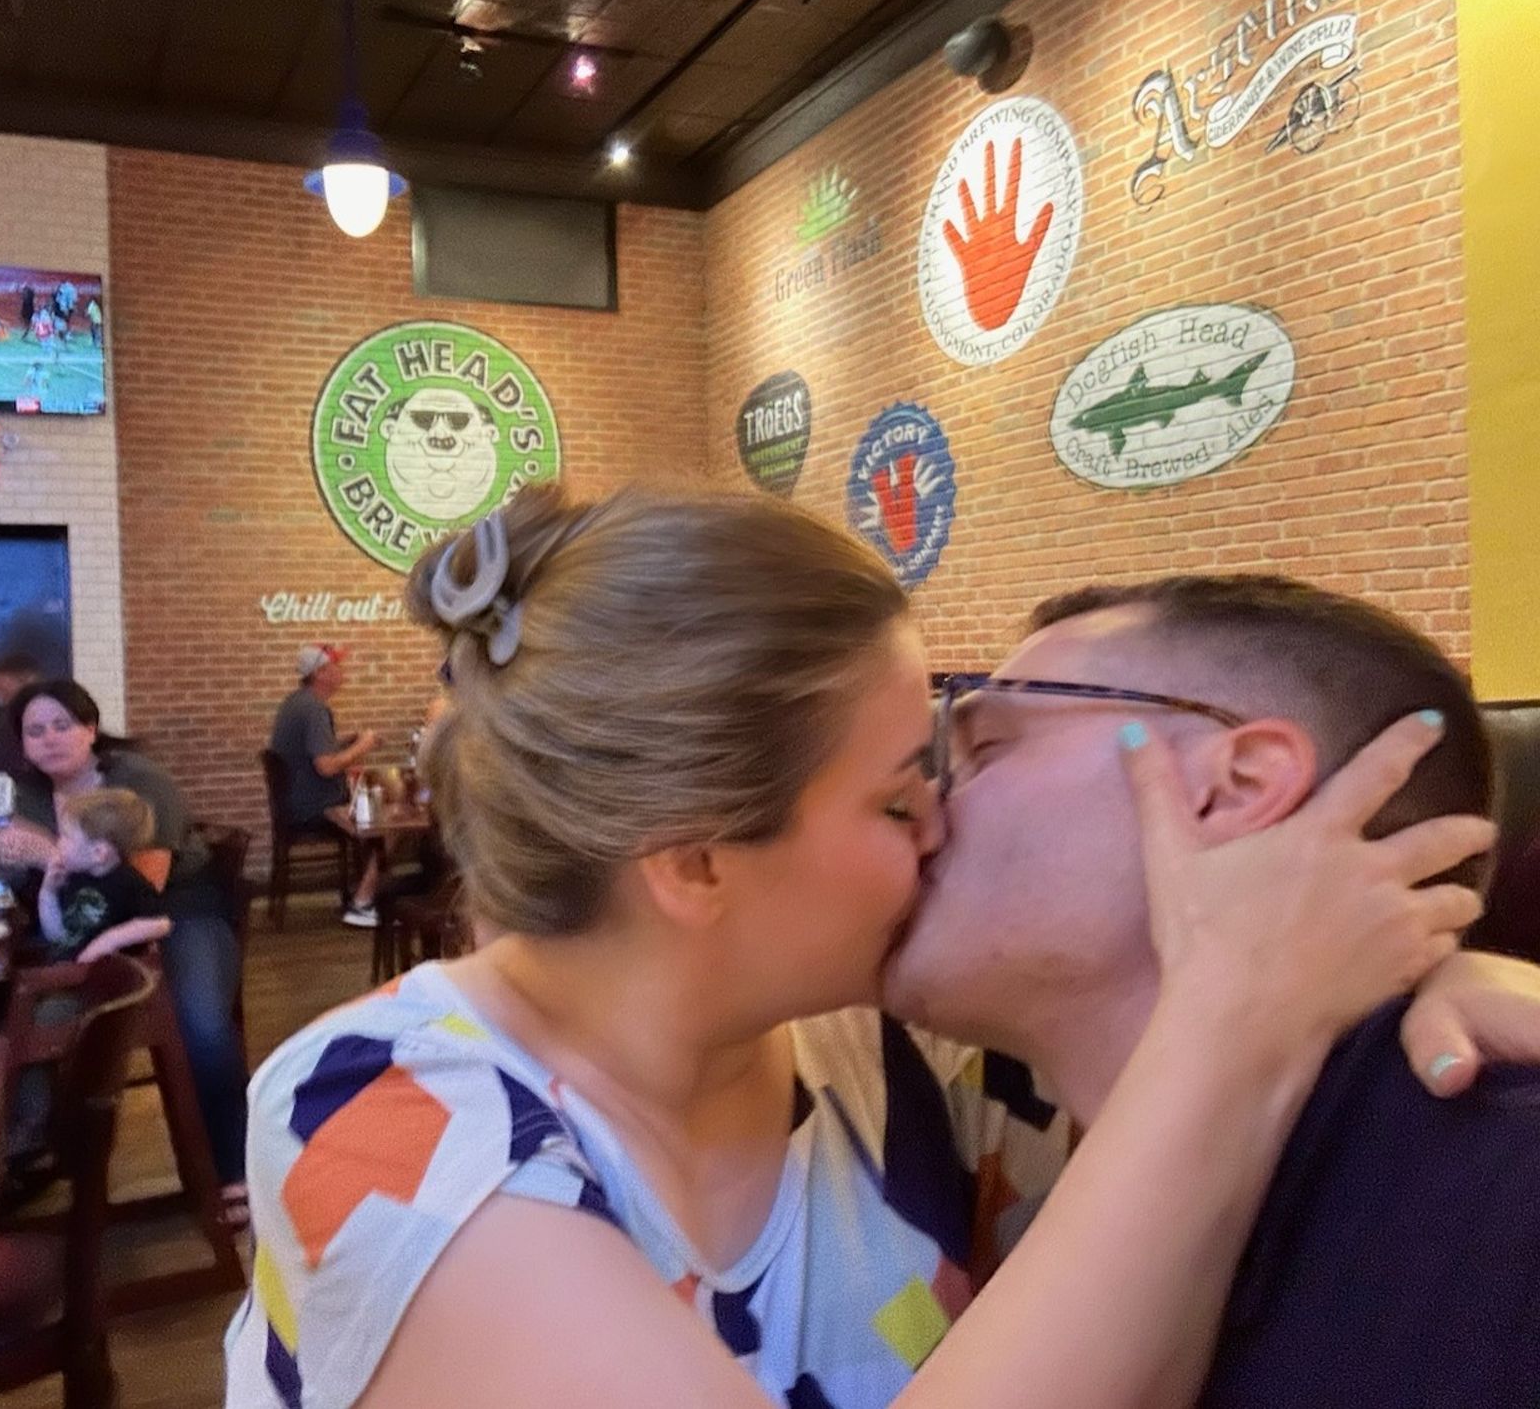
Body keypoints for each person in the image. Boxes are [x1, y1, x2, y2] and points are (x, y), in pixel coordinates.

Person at [226, 484, 1500, 1409]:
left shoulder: (908, 1064)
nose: (940, 819)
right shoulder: (379, 1114)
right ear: (696, 860)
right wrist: (1242, 1007)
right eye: (897, 796)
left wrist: (1407, 968)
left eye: (964, 758)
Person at [880, 574, 1540, 1406]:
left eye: (983, 750)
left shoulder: (1506, 1213)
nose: (921, 811)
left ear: (1235, 787)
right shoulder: (949, 1129)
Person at [0, 679, 250, 1213]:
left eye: (62, 725)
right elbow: (30, 882)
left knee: (202, 1023)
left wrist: (46, 852)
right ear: (21, 743)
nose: (49, 739)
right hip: (81, 927)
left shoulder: (137, 782)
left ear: (91, 729)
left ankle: (231, 1168)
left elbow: (144, 881)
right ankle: (20, 1149)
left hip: (173, 912)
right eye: (34, 730)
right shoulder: (25, 794)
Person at [267, 643, 381, 927]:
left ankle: (364, 896)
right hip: (316, 807)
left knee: (376, 816)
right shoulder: (315, 709)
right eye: (336, 667)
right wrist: (363, 745)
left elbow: (313, 753)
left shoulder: (295, 703)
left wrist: (344, 741)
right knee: (385, 827)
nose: (342, 673)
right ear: (320, 673)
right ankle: (363, 902)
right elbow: (326, 766)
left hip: (295, 803)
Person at [36, 788, 173, 964]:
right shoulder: (75, 877)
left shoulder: (127, 883)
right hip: (68, 972)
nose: (58, 842)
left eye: (67, 837)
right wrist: (48, 892)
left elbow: (160, 924)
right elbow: (57, 936)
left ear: (98, 853)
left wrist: (108, 940)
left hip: (106, 981)